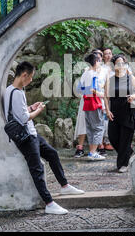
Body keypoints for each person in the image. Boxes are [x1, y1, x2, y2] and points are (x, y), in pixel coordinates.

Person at [5, 61, 84, 215]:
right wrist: (38, 110)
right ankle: (49, 203)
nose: (31, 80)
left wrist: (31, 107)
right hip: (26, 137)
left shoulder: (10, 90)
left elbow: (18, 112)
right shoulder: (17, 93)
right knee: (37, 169)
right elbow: (23, 119)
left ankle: (64, 186)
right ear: (24, 75)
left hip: (31, 134)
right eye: (31, 77)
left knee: (52, 154)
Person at [104, 54, 135, 173]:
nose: (120, 66)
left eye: (122, 63)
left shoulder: (129, 77)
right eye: (118, 63)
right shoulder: (110, 80)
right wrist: (107, 110)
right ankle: (127, 152)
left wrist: (133, 96)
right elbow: (106, 96)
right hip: (114, 113)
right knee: (113, 137)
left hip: (127, 112)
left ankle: (123, 164)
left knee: (125, 140)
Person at [77, 53, 106, 161]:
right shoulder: (94, 74)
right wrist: (103, 95)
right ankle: (93, 152)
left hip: (87, 104)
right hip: (95, 103)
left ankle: (92, 151)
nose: (100, 63)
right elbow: (94, 90)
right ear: (95, 62)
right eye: (99, 61)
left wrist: (87, 92)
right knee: (98, 128)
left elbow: (79, 89)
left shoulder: (85, 73)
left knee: (90, 128)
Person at [100, 47, 115, 153]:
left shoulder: (115, 66)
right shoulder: (101, 67)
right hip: (105, 94)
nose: (108, 55)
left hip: (115, 94)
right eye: (106, 54)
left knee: (112, 116)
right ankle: (104, 141)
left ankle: (111, 139)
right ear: (103, 56)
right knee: (105, 116)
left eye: (110, 53)